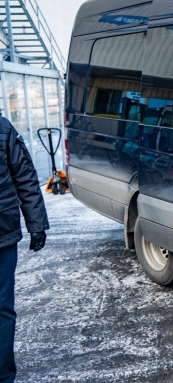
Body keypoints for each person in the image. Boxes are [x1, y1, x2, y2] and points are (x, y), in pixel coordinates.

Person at [0, 115, 49, 383]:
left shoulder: (2, 128)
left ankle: (4, 376)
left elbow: (24, 177)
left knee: (2, 308)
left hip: (2, 235)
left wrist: (36, 224)